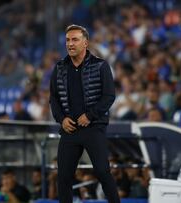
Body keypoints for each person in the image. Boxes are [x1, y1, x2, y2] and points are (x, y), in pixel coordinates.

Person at [49, 24, 119, 203]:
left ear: (85, 43)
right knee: (63, 177)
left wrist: (90, 116)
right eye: (67, 40)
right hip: (70, 130)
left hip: (93, 127)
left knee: (103, 171)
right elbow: (54, 99)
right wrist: (61, 119)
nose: (70, 44)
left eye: (75, 40)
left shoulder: (101, 66)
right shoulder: (59, 68)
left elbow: (109, 96)